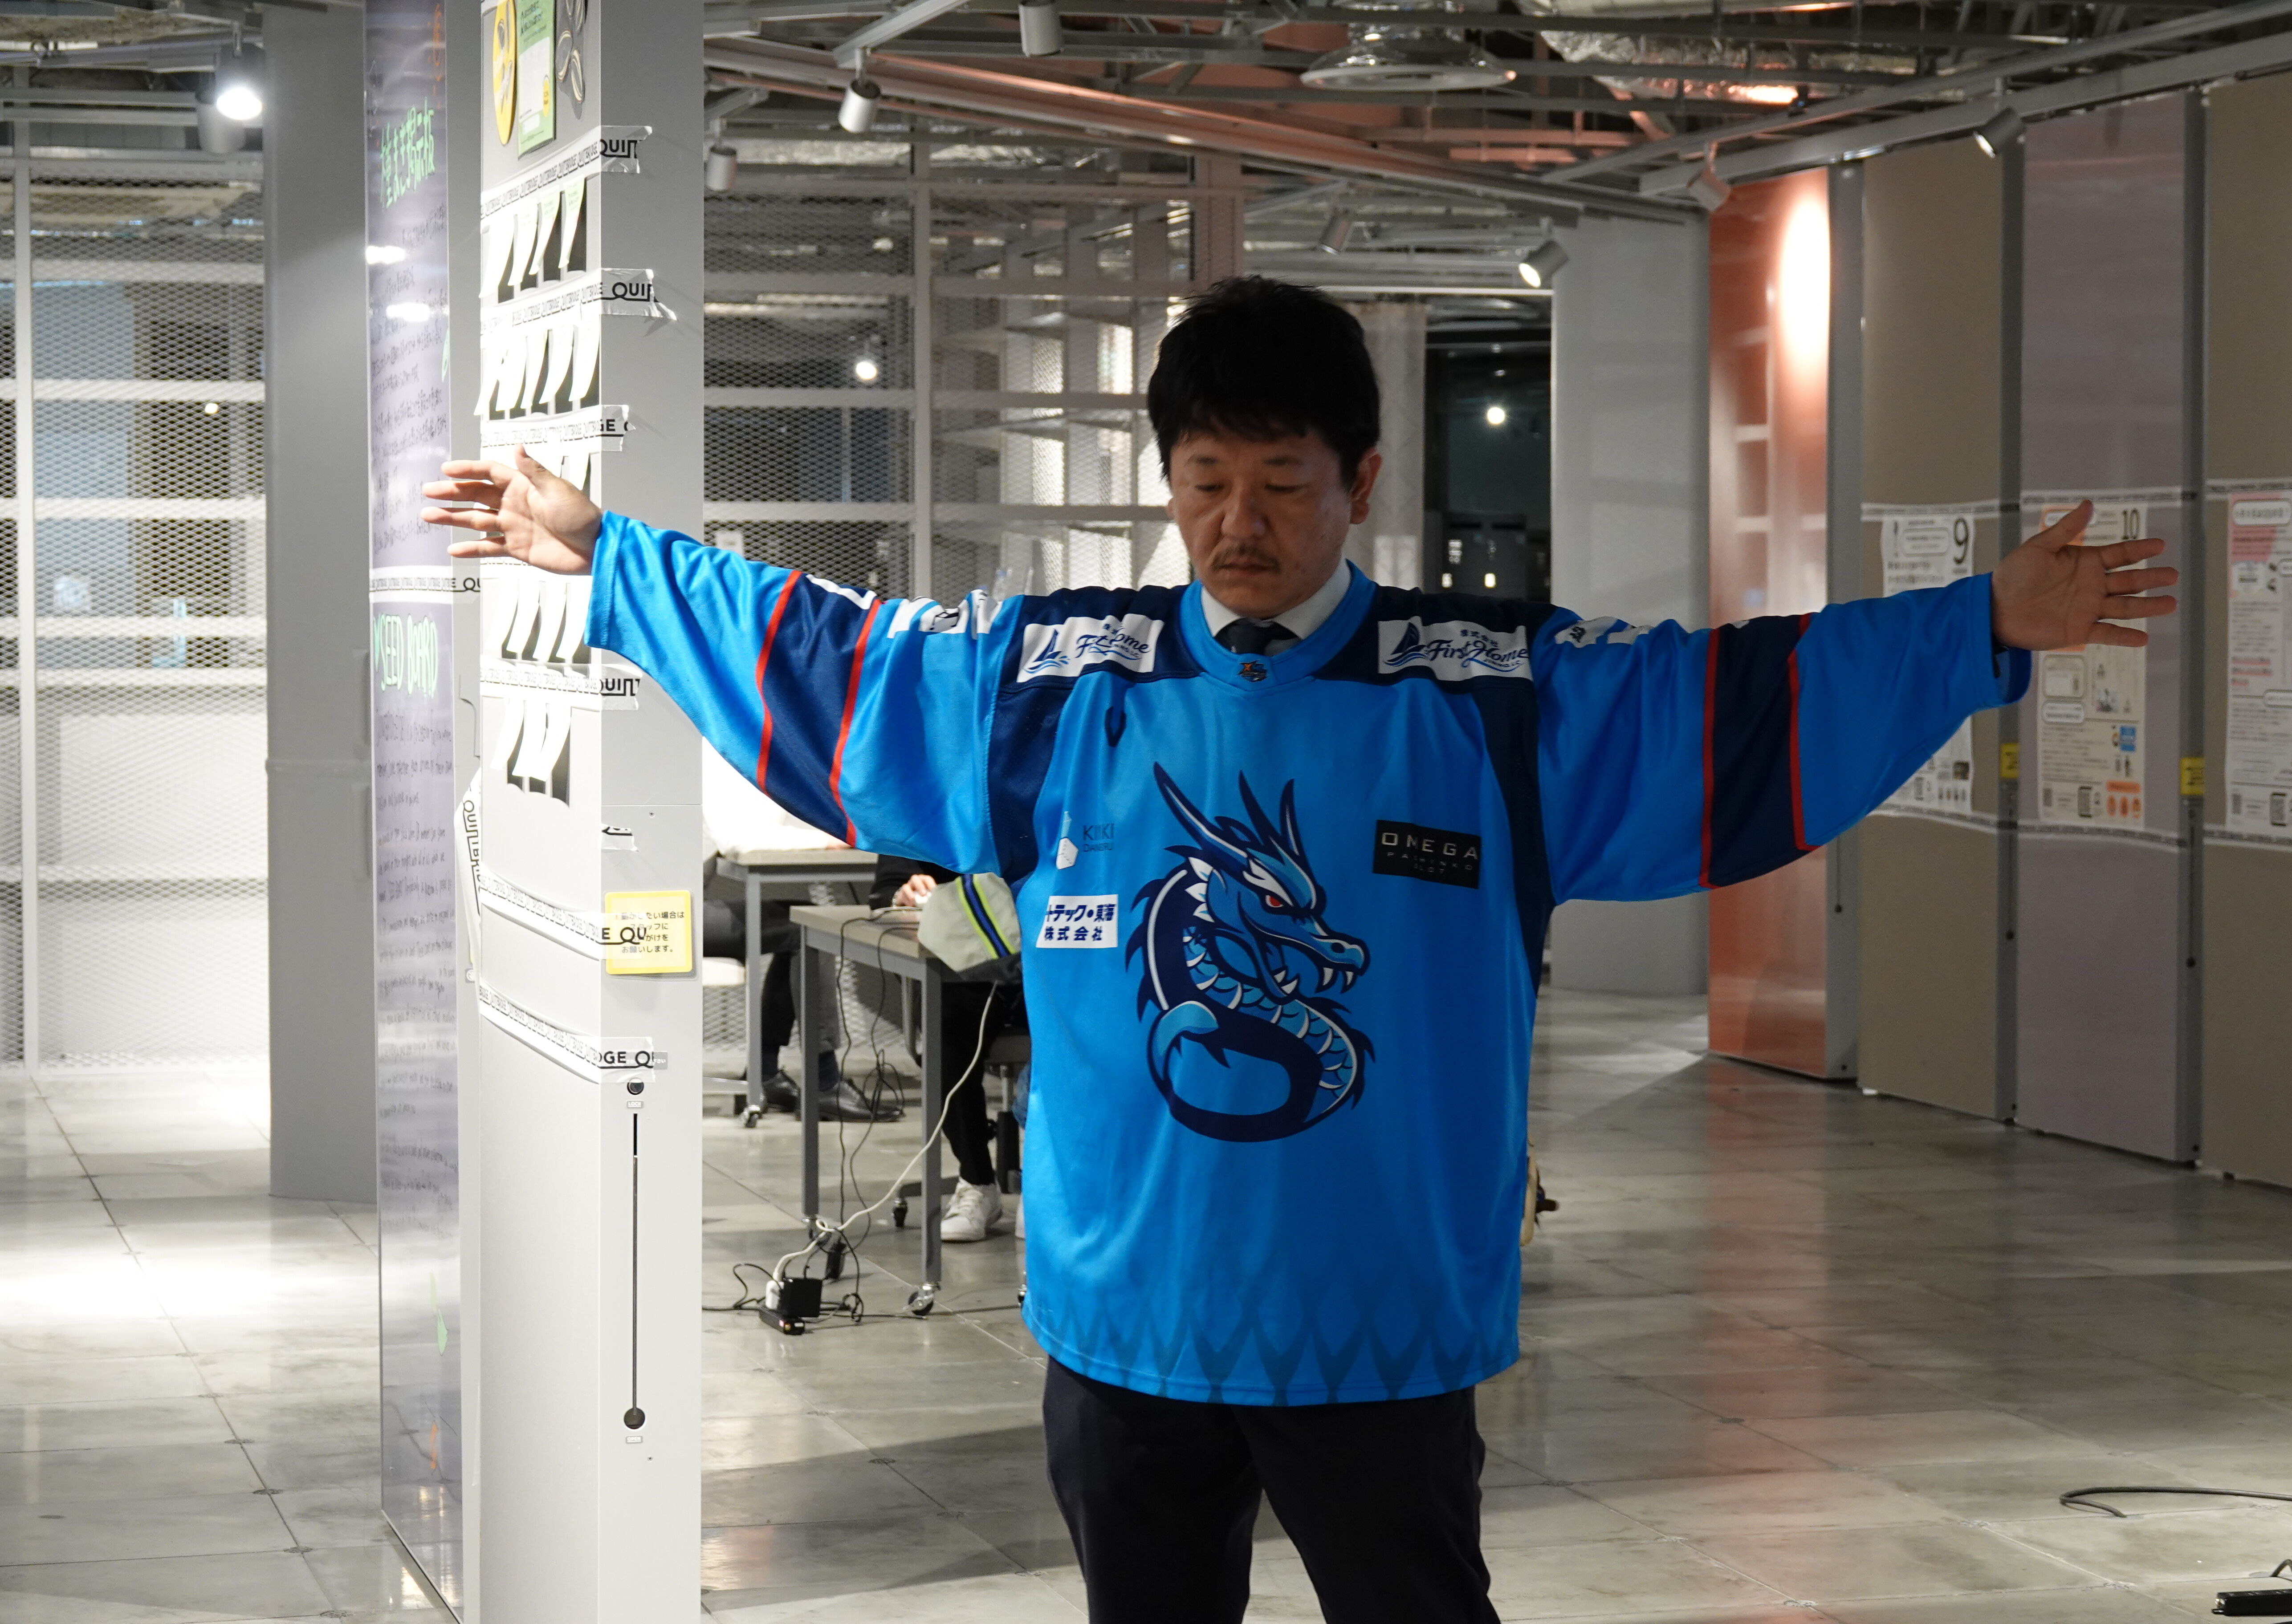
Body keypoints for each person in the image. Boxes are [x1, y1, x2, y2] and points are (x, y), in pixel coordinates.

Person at [424, 276, 2175, 1624]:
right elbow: (835, 653)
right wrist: (607, 559)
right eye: (1204, 482)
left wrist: (1977, 627)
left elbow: (1734, 701)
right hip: (1126, 1327)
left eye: (1280, 482)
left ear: (1364, 483)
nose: (1238, 524)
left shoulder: (1494, 697)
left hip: (1378, 1328)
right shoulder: (1057, 684)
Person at [700, 727, 901, 1123]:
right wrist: (829, 841)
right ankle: (822, 1082)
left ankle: (766, 1073)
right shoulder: (723, 738)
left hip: (676, 906)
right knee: (807, 928)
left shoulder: (752, 737)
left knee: (800, 922)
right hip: (663, 916)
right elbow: (739, 840)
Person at [871, 853, 1026, 1241]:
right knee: (946, 1029)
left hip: (1049, 952)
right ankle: (977, 1181)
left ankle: (1046, 1184)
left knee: (1075, 1030)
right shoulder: (924, 818)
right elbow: (885, 889)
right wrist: (904, 894)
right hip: (966, 965)